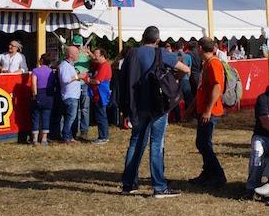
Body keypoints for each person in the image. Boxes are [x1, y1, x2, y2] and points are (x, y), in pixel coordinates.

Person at [119, 26, 190, 197]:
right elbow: (185, 69)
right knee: (156, 143)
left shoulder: (132, 53)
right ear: (157, 40)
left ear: (142, 38)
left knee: (136, 142)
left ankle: (129, 184)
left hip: (137, 104)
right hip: (157, 104)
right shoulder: (161, 53)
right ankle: (159, 186)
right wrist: (173, 79)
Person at [190, 37, 227, 188]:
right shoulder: (208, 63)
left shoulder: (214, 63)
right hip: (205, 109)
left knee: (204, 143)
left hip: (210, 111)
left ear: (200, 48)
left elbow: (217, 87)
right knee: (202, 143)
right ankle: (207, 173)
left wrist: (207, 110)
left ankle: (218, 175)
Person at [58, 45, 85, 145]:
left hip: (73, 95)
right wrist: (78, 76)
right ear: (70, 55)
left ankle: (69, 136)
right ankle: (66, 137)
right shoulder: (65, 65)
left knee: (71, 117)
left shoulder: (69, 65)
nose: (78, 55)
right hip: (69, 96)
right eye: (77, 53)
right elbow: (65, 79)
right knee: (70, 118)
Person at [86, 48, 112, 144]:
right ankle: (102, 136)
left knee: (101, 116)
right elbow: (93, 59)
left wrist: (87, 79)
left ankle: (103, 137)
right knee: (100, 116)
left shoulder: (105, 66)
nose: (95, 57)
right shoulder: (101, 65)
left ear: (102, 56)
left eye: (96, 55)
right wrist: (89, 53)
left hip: (101, 95)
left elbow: (98, 81)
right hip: (97, 95)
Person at [29, 53, 55, 146]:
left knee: (35, 117)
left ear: (42, 60)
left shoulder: (35, 70)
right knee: (46, 117)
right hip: (49, 94)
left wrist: (34, 95)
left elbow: (33, 84)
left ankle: (35, 139)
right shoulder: (51, 71)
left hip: (39, 93)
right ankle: (44, 139)